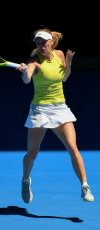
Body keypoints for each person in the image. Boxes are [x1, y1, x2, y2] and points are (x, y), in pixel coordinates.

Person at [18, 28, 94, 203]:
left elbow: (65, 78)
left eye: (44, 41)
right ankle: (25, 180)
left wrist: (68, 64)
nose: (41, 44)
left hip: (60, 108)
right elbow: (27, 80)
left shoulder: (60, 54)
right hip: (40, 110)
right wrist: (24, 71)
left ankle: (84, 186)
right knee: (32, 153)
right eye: (37, 41)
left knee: (73, 148)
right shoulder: (33, 61)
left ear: (51, 42)